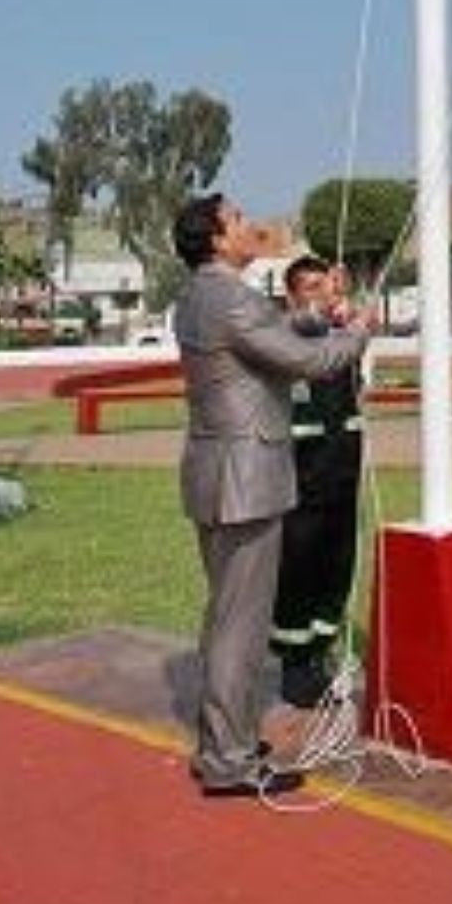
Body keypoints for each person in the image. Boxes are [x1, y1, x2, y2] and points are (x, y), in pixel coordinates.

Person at [172, 193, 369, 797]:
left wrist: (319, 314)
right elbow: (303, 360)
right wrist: (355, 333)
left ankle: (222, 738)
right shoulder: (231, 296)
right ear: (212, 237)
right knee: (241, 625)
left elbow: (274, 334)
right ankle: (228, 760)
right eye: (234, 219)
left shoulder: (199, 296)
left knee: (225, 617)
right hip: (245, 476)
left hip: (214, 468)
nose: (248, 224)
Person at [269, 254, 366, 710]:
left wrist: (349, 316)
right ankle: (294, 664)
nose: (321, 295)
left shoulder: (338, 339)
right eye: (310, 287)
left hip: (342, 476)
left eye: (324, 286)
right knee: (297, 573)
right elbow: (297, 329)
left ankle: (320, 653)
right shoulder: (282, 338)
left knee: (337, 568)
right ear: (291, 296)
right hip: (300, 482)